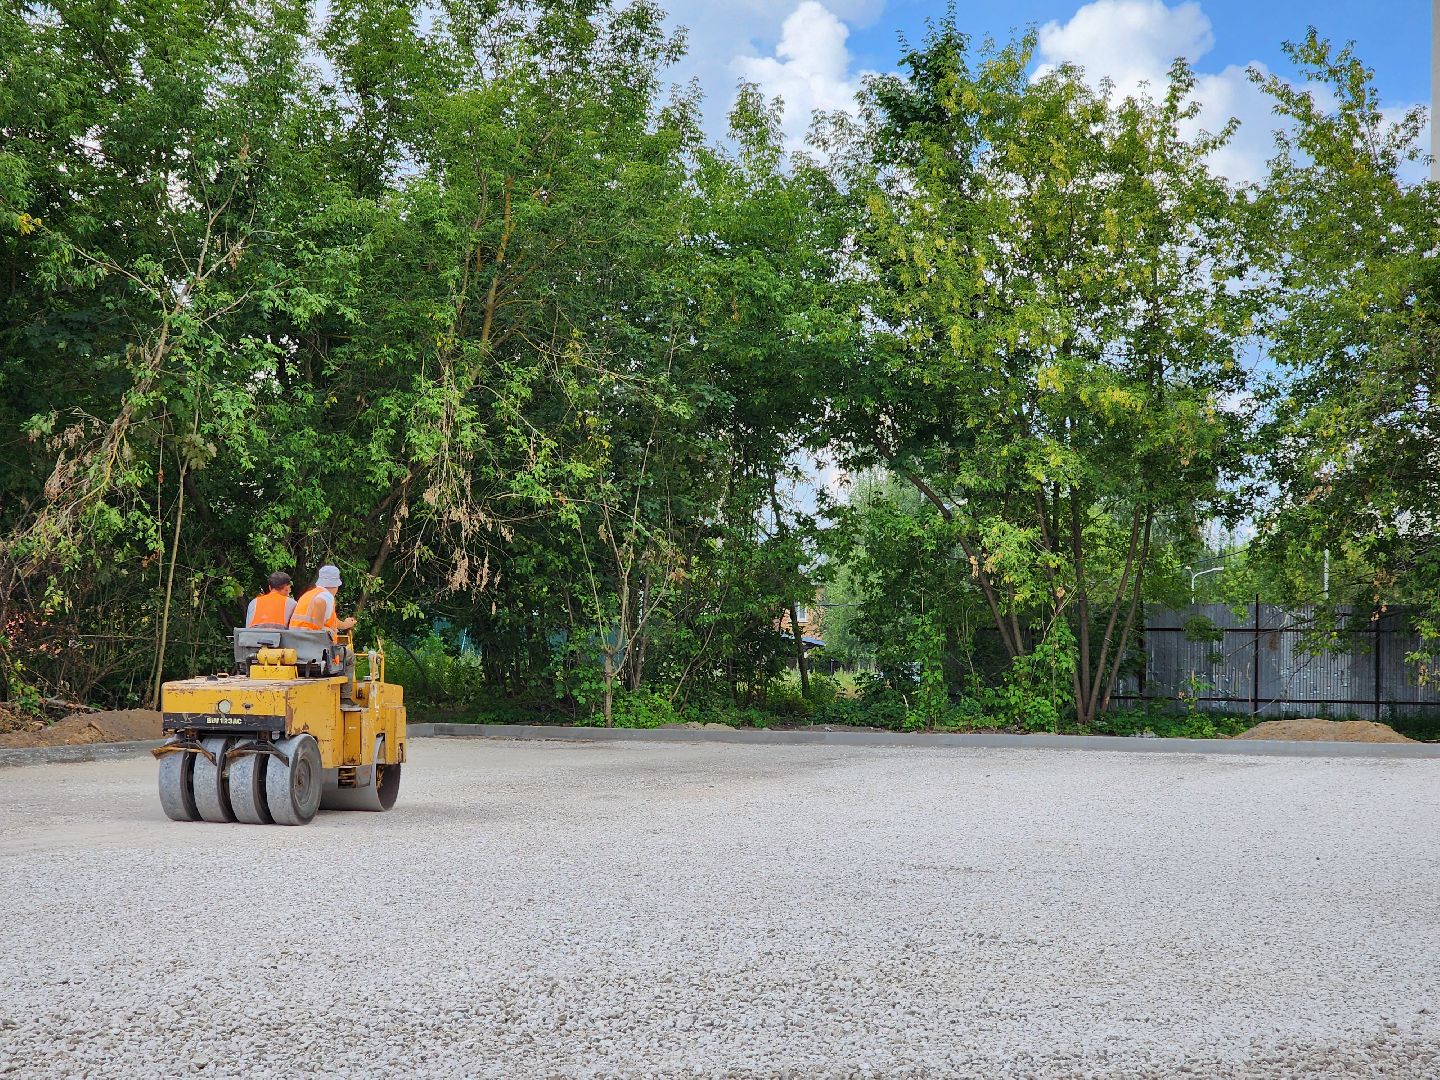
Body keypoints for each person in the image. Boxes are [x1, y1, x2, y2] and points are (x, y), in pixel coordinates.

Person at [287, 564, 357, 641]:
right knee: (349, 653)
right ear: (336, 585)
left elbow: (327, 618)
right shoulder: (326, 595)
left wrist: (345, 625)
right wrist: (321, 627)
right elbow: (319, 601)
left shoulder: (309, 594)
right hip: (313, 643)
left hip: (296, 641)